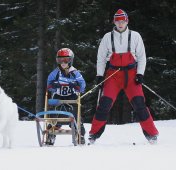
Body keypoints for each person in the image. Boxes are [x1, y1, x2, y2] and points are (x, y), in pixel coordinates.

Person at [88, 9, 159, 144]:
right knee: (104, 104)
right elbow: (101, 58)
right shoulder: (107, 37)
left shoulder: (135, 36)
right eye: (118, 21)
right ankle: (94, 134)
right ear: (114, 22)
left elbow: (142, 57)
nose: (120, 24)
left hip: (131, 75)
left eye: (123, 21)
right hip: (113, 75)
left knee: (139, 104)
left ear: (127, 21)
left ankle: (151, 134)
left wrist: (140, 74)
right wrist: (99, 75)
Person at [47, 48, 86, 145]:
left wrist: (76, 85)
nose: (63, 62)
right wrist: (53, 85)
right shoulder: (55, 73)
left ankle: (80, 134)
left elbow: (82, 86)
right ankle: (51, 133)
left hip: (71, 96)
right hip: (58, 96)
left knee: (76, 114)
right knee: (54, 114)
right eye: (60, 60)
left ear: (71, 60)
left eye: (66, 60)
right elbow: (49, 85)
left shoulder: (75, 73)